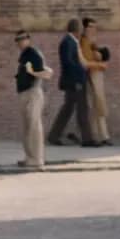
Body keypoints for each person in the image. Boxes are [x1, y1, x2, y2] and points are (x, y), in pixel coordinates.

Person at [47, 18, 96, 148]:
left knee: (68, 108)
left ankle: (54, 135)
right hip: (75, 81)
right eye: (80, 29)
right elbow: (68, 63)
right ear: (76, 29)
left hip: (75, 80)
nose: (82, 31)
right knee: (82, 108)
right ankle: (87, 139)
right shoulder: (67, 42)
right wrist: (78, 77)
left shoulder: (72, 41)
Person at [15, 31, 52, 169]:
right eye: (17, 40)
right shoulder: (24, 55)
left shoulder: (34, 54)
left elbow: (46, 72)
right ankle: (29, 157)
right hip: (24, 92)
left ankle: (37, 159)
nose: (20, 42)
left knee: (34, 125)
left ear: (28, 39)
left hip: (33, 92)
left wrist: (34, 73)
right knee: (27, 126)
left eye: (22, 39)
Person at [79, 17, 111, 146]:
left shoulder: (92, 41)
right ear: (85, 28)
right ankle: (98, 136)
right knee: (96, 106)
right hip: (91, 75)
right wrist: (100, 64)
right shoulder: (83, 42)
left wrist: (100, 56)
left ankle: (103, 136)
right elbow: (86, 61)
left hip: (96, 74)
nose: (94, 29)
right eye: (91, 26)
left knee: (99, 106)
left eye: (94, 27)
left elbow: (96, 56)